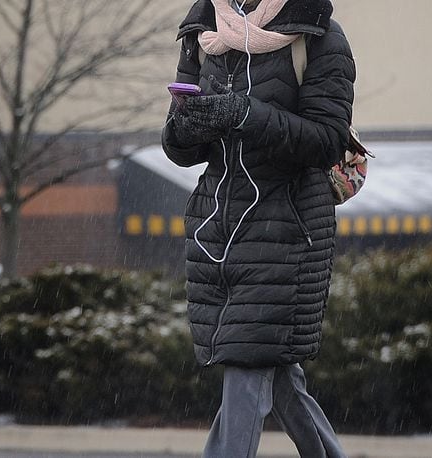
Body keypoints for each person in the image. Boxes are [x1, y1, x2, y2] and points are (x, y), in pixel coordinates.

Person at [161, 0, 355, 456]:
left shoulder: (318, 33)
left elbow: (326, 141)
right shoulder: (203, 31)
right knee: (277, 375)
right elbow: (181, 150)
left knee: (246, 364)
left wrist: (245, 115)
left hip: (289, 231)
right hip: (215, 235)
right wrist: (185, 127)